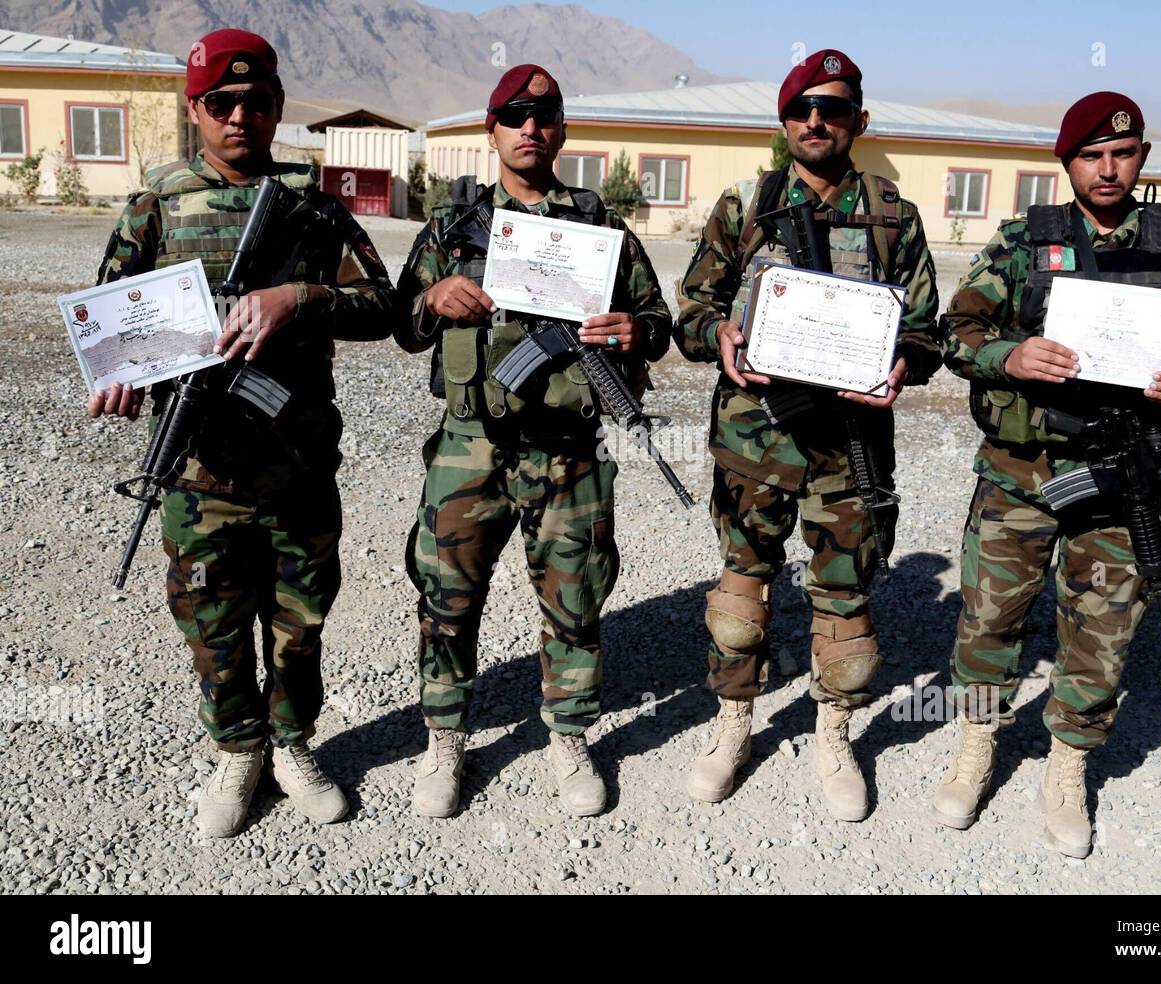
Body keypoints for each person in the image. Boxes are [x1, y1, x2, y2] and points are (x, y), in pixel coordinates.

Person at [934, 91, 1161, 857]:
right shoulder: (1023, 243)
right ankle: (978, 742)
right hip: (1021, 474)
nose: (1108, 168)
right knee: (989, 619)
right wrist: (1008, 355)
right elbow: (957, 330)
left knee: (1103, 631)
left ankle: (1069, 764)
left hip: (1123, 479)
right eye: (1092, 155)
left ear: (1141, 158)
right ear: (1068, 163)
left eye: (1123, 153)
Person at [88, 28, 397, 837]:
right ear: (196, 111)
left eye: (256, 102)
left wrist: (301, 297)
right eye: (220, 103)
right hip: (199, 468)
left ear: (277, 108)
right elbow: (113, 321)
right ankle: (239, 749)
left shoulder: (311, 206)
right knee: (213, 624)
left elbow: (388, 309)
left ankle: (292, 743)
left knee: (300, 624)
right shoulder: (157, 204)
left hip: (296, 463)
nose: (239, 117)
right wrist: (118, 377)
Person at [395, 64, 672, 819]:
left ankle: (569, 734)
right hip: (469, 443)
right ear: (492, 130)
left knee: (575, 597)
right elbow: (400, 323)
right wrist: (430, 297)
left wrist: (634, 330)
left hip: (568, 446)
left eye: (544, 115)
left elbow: (658, 321)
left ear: (561, 130)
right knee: (447, 595)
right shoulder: (451, 228)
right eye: (514, 115)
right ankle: (445, 736)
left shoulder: (598, 227)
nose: (530, 127)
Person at [675, 49, 941, 822]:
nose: (816, 120)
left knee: (846, 604)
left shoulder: (894, 215)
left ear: (860, 118)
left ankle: (835, 733)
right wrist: (717, 332)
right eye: (802, 108)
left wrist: (903, 362)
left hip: (848, 445)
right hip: (754, 442)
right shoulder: (747, 203)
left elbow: (927, 331)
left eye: (833, 107)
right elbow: (692, 303)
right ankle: (733, 725)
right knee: (740, 596)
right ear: (784, 121)